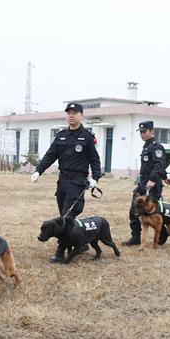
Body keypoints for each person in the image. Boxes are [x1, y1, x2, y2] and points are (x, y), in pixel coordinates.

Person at [30, 102, 102, 262]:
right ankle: (80, 243)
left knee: (65, 217)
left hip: (77, 182)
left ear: (81, 116)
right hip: (62, 181)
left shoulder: (87, 137)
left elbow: (95, 159)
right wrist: (38, 170)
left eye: (75, 112)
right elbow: (50, 155)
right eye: (69, 112)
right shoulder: (61, 135)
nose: (71, 115)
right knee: (66, 217)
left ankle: (60, 251)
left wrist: (95, 178)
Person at [123, 120, 167, 246]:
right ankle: (136, 237)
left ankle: (163, 234)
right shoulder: (147, 146)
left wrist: (153, 179)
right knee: (134, 211)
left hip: (152, 186)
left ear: (152, 132)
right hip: (143, 183)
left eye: (144, 131)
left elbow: (159, 165)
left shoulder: (156, 147)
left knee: (151, 212)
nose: (142, 134)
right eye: (140, 132)